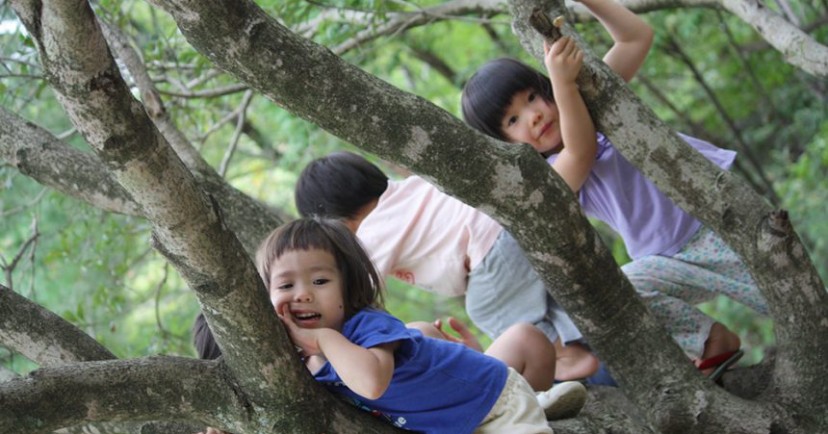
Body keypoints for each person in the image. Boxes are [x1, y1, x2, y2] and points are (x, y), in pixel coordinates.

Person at [460, 0, 767, 375]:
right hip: (668, 258)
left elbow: (636, 38)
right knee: (622, 292)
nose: (533, 115)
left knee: (788, 300)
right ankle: (712, 341)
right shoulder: (550, 179)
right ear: (506, 144)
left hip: (718, 219)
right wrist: (562, 83)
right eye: (513, 119)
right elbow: (581, 151)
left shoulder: (593, 102)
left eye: (531, 98)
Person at [219, 217, 585, 434]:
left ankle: (533, 403)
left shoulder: (367, 327)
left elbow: (372, 382)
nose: (303, 295)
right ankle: (540, 403)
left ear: (349, 286)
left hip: (494, 402)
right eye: (285, 286)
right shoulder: (296, 361)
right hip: (456, 423)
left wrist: (322, 338)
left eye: (319, 282)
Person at [295, 151, 609, 384]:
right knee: (545, 303)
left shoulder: (370, 233)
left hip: (489, 253)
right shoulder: (409, 188)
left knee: (486, 308)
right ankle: (582, 341)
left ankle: (565, 358)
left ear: (335, 223)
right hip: (512, 229)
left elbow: (358, 289)